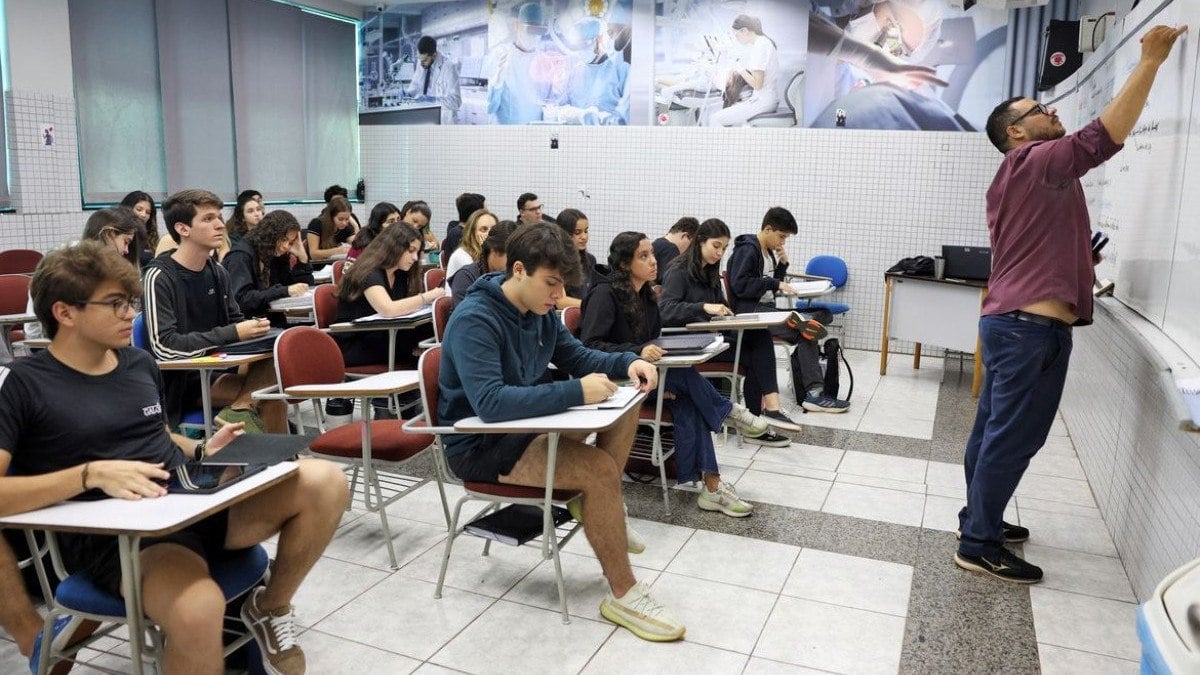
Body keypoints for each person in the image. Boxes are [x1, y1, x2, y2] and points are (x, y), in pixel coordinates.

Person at [0, 241, 349, 675]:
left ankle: (270, 606)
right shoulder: (24, 384)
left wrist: (202, 448)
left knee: (325, 481)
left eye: (129, 301)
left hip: (190, 497)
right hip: (128, 536)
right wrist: (89, 474)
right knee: (198, 607)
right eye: (115, 304)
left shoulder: (137, 364)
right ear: (65, 312)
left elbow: (156, 433)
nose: (132, 314)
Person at [955, 24, 1187, 585]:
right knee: (1014, 437)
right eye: (1040, 108)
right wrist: (1151, 62)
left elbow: (1042, 245)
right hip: (1028, 329)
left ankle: (978, 517)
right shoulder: (1032, 161)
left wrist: (1082, 264)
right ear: (1016, 131)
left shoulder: (1030, 177)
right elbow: (1102, 138)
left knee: (993, 432)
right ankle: (978, 542)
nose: (1053, 112)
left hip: (1016, 322)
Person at [439, 221, 685, 642]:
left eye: (562, 285)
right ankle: (623, 593)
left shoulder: (540, 312)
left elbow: (576, 354)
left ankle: (602, 507)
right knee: (599, 473)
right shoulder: (474, 319)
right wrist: (576, 391)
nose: (558, 296)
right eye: (551, 284)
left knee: (626, 402)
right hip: (483, 444)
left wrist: (626, 363)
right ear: (518, 270)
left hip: (527, 426)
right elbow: (492, 404)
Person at [582, 232, 779, 516]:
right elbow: (591, 347)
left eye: (651, 254)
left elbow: (654, 342)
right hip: (616, 381)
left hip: (649, 378)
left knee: (691, 403)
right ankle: (729, 414)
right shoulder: (604, 294)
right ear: (625, 264)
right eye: (644, 256)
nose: (654, 262)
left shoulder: (647, 295)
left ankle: (712, 488)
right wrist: (638, 351)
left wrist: (646, 354)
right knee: (687, 378)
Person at [143, 189, 287, 434]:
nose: (220, 225)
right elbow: (164, 348)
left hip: (225, 368)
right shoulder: (159, 276)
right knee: (270, 397)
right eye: (208, 219)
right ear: (183, 229)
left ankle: (248, 453)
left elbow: (235, 323)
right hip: (186, 381)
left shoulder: (218, 272)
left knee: (278, 352)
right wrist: (233, 333)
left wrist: (256, 331)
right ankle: (276, 466)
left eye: (219, 217)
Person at [660, 218, 800, 445]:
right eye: (716, 246)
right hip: (688, 342)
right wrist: (703, 307)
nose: (720, 253)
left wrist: (730, 315)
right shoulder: (679, 270)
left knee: (759, 339)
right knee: (757, 349)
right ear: (700, 242)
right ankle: (761, 419)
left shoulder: (710, 272)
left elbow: (721, 305)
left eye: (724, 248)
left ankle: (760, 418)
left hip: (710, 338)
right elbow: (665, 310)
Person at [727, 206, 849, 413]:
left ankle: (814, 390)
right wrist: (775, 284)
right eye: (781, 237)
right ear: (767, 229)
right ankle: (814, 393)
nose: (782, 242)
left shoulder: (767, 254)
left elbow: (770, 284)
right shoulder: (748, 249)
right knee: (808, 329)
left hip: (765, 308)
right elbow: (741, 285)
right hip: (752, 313)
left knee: (821, 317)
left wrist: (783, 265)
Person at [23, 208, 142, 347]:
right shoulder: (68, 265)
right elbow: (35, 323)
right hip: (57, 345)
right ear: (109, 234)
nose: (126, 250)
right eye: (126, 242)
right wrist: (38, 346)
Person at [334, 224, 443, 368]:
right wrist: (428, 296)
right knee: (421, 341)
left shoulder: (399, 274)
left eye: (417, 252)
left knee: (433, 328)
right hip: (356, 342)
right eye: (411, 251)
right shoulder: (369, 273)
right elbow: (388, 309)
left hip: (383, 335)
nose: (415, 258)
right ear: (394, 247)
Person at [222, 210, 313, 318]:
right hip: (247, 324)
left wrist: (303, 259)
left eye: (290, 242)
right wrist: (283, 291)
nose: (286, 246)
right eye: (283, 239)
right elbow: (242, 300)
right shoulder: (240, 256)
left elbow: (301, 289)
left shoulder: (275, 254)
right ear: (270, 234)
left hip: (271, 320)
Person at [709, 15, 779, 127]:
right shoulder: (763, 43)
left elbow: (757, 84)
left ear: (744, 30)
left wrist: (739, 68)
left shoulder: (760, 46)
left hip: (763, 101)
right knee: (739, 120)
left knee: (714, 119)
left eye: (737, 35)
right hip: (766, 99)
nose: (736, 39)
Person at [449, 220, 514, 308]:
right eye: (511, 257)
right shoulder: (466, 277)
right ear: (493, 251)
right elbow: (468, 317)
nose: (515, 264)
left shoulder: (514, 275)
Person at [405, 35, 462, 125]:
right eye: (420, 59)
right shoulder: (421, 62)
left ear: (434, 55)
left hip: (443, 120)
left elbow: (456, 102)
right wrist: (407, 93)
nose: (422, 63)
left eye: (425, 60)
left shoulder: (448, 67)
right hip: (425, 117)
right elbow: (415, 85)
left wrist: (432, 100)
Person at [554, 208, 599, 308]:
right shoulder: (555, 260)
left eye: (586, 231)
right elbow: (560, 301)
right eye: (578, 232)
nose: (584, 237)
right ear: (564, 234)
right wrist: (592, 306)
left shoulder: (590, 260)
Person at [444, 209, 497, 281]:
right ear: (472, 233)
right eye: (484, 229)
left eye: (493, 230)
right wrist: (484, 251)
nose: (489, 234)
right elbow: (482, 284)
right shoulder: (461, 256)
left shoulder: (493, 254)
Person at [306, 195, 359, 263]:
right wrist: (337, 251)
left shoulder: (345, 227)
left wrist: (356, 226)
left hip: (336, 264)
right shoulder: (316, 224)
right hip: (318, 266)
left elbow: (357, 245)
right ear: (331, 216)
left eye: (347, 219)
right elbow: (313, 254)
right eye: (340, 219)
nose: (344, 223)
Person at [652, 216, 698, 284]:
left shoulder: (657, 243)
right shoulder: (671, 249)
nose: (689, 251)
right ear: (685, 236)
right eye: (691, 246)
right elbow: (670, 282)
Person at [120, 190, 159, 267]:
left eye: (148, 212)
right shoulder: (116, 234)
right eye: (139, 209)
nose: (143, 215)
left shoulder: (151, 239)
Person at [442, 192, 486, 260]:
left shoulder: (468, 232)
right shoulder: (457, 234)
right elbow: (471, 262)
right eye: (483, 212)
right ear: (474, 214)